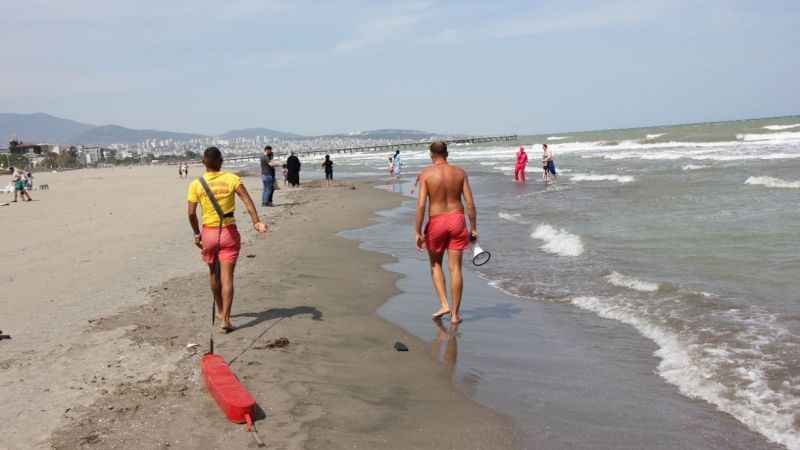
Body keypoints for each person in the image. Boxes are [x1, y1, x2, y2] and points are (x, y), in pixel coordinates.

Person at [187, 147, 267, 333]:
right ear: (221, 161)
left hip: (209, 233)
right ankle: (226, 319)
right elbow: (248, 202)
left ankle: (221, 310)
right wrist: (257, 222)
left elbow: (191, 213)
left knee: (213, 274)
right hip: (229, 233)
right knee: (227, 277)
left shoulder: (196, 184)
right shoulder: (232, 179)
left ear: (203, 162)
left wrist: (196, 233)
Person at [415, 141, 477, 325]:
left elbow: (420, 205)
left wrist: (417, 231)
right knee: (456, 268)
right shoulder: (460, 173)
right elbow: (470, 204)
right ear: (447, 153)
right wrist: (473, 228)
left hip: (437, 221)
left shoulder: (426, 174)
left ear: (431, 155)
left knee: (435, 264)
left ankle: (444, 304)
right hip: (457, 220)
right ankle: (456, 315)